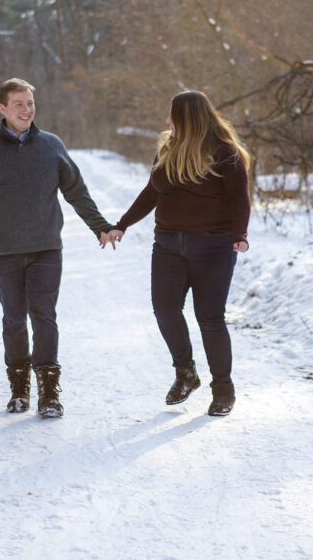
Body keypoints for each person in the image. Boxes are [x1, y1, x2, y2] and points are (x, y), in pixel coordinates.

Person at [0, 78, 116, 419]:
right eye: (19, 104)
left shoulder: (51, 146)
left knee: (44, 317)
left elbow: (76, 191)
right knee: (14, 319)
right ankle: (19, 389)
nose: (27, 110)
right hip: (3, 251)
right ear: (2, 109)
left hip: (46, 249)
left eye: (30, 103)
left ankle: (49, 393)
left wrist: (100, 227)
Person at [106, 90, 250, 416]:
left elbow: (240, 198)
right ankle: (185, 372)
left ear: (188, 118)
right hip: (169, 245)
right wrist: (122, 224)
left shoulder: (225, 154)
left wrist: (239, 234)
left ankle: (223, 390)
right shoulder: (168, 150)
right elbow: (151, 193)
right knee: (165, 310)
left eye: (173, 115)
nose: (167, 120)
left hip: (213, 246)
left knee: (210, 318)